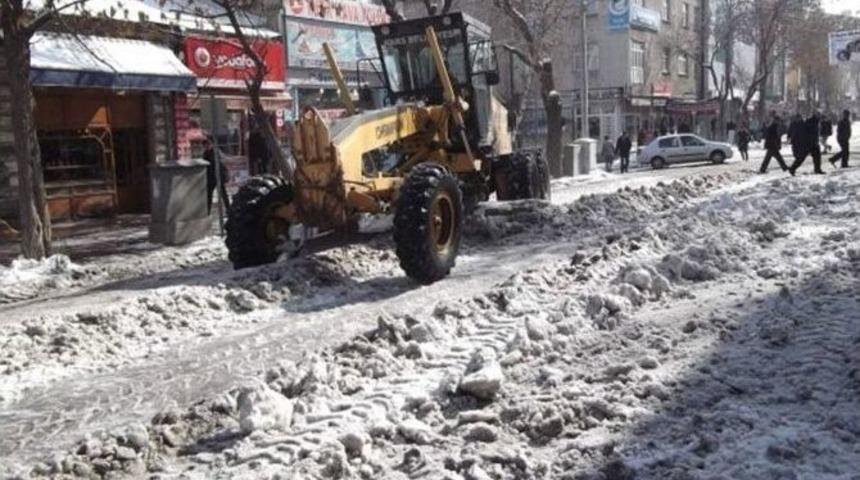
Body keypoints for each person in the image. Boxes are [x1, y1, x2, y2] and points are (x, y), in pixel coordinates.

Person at [204, 138, 231, 213]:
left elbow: (220, 164)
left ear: (211, 144)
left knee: (223, 194)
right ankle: (208, 211)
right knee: (209, 194)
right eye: (205, 146)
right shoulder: (206, 153)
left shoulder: (216, 152)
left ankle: (228, 209)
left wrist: (224, 176)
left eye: (207, 145)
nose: (206, 147)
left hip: (218, 176)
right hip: (211, 177)